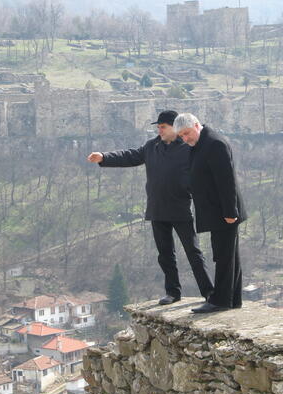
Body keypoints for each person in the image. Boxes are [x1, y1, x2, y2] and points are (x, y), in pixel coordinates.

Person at [87, 110, 214, 305]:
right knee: (165, 255)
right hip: (157, 208)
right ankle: (173, 292)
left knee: (193, 253)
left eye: (163, 127)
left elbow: (203, 173)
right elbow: (130, 156)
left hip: (180, 207)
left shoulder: (188, 148)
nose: (159, 130)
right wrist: (104, 157)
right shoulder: (152, 146)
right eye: (158, 127)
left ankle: (209, 292)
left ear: (175, 127)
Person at [173, 113, 247, 314]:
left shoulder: (214, 143)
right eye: (181, 136)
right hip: (217, 210)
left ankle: (220, 300)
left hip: (223, 211)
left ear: (196, 125)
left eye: (187, 133)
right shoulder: (201, 143)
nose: (185, 139)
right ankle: (233, 299)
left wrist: (230, 211)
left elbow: (226, 180)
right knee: (230, 255)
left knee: (223, 255)